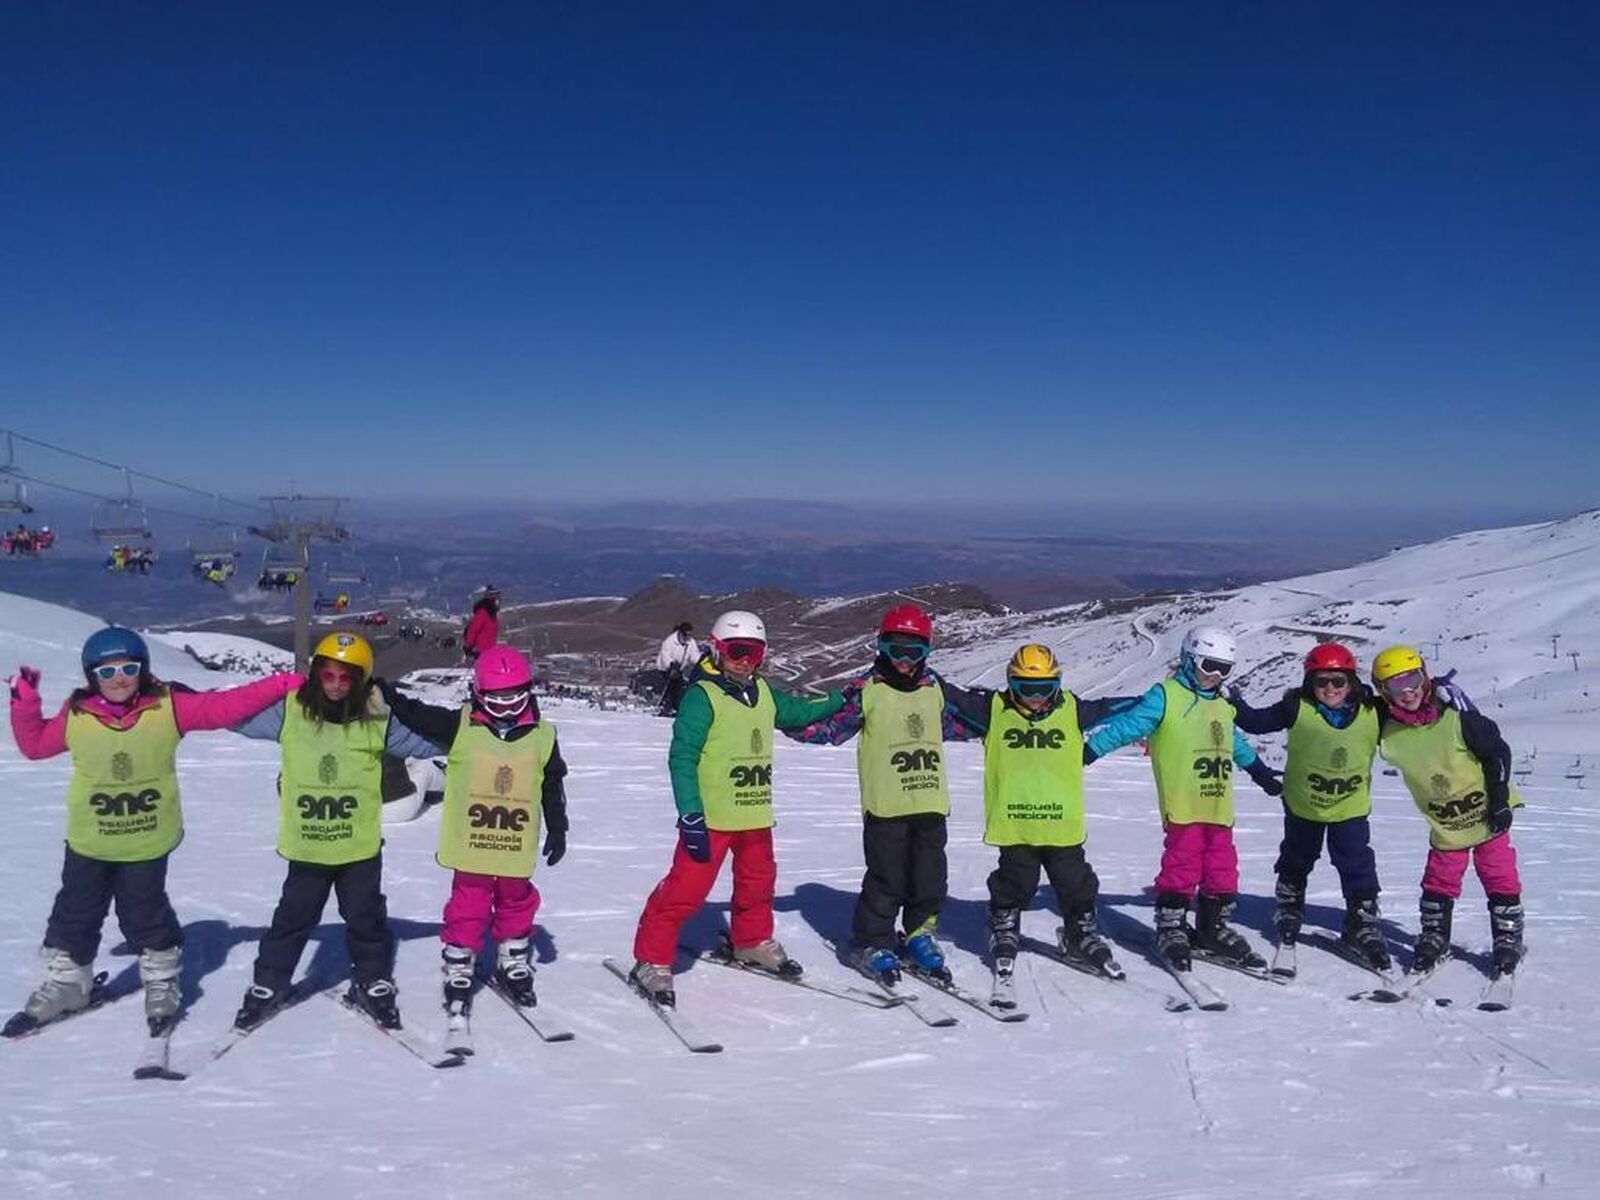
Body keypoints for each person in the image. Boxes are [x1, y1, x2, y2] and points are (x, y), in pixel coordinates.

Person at [4, 627, 301, 1036]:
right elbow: (35, 746)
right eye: (107, 672)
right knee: (74, 914)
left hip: (146, 841)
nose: (119, 679)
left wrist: (279, 685)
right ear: (91, 677)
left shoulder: (168, 707)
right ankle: (69, 983)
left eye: (129, 668)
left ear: (143, 669)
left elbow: (223, 708)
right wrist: (24, 705)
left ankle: (161, 979)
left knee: (144, 913)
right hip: (90, 841)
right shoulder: (77, 715)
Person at [228, 632, 448, 1031]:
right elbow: (232, 715)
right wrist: (182, 705)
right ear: (315, 674)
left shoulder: (376, 719)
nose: (334, 685)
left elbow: (421, 741)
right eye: (326, 675)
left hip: (358, 847)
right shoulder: (291, 712)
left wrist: (478, 735)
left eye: (346, 678)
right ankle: (269, 983)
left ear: (361, 680)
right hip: (308, 846)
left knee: (366, 918)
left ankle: (371, 979)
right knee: (293, 918)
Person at [627, 611, 843, 1007]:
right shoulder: (702, 697)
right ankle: (651, 958)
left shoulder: (762, 691)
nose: (744, 661)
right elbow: (682, 757)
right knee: (685, 891)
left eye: (754, 653)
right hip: (711, 818)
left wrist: (840, 698)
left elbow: (797, 711)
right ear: (717, 649)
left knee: (758, 883)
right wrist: (690, 812)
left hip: (754, 814)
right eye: (736, 651)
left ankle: (751, 940)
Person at [789, 604, 979, 984]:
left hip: (929, 803)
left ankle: (919, 932)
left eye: (914, 651)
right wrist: (785, 721)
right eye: (896, 650)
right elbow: (832, 727)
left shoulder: (934, 690)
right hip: (886, 806)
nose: (904, 660)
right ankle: (872, 940)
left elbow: (959, 725)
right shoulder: (868, 690)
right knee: (886, 878)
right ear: (881, 647)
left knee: (930, 877)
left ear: (927, 651)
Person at [1083, 625, 1284, 972]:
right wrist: (1089, 751)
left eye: (1224, 669)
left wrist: (1261, 772)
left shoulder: (1221, 704)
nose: (1215, 675)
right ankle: (1171, 925)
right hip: (1183, 804)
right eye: (1209, 665)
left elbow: (1235, 743)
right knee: (1183, 862)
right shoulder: (1166, 696)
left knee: (1222, 867)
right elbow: (1128, 726)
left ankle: (1212, 927)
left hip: (1218, 805)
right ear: (1189, 659)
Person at [381, 645, 569, 1012]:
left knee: (516, 900)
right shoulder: (461, 726)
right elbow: (421, 717)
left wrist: (558, 827)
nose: (507, 707)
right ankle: (460, 959)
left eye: (514, 696)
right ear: (479, 694)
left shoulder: (543, 735)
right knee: (469, 903)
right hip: (473, 843)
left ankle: (513, 957)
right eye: (497, 698)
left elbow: (552, 783)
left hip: (514, 841)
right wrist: (393, 698)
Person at [938, 644, 1134, 975]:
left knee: (1075, 882)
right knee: (1016, 881)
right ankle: (1004, 921)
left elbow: (1111, 708)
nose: (1034, 697)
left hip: (1061, 823)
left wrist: (1155, 699)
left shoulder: (1072, 710)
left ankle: (1080, 931)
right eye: (1025, 688)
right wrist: (925, 673)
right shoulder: (994, 709)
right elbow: (953, 697)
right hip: (1017, 823)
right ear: (1010, 682)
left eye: (1044, 688)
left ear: (1057, 684)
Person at [1228, 642, 1390, 969]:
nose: (1330, 688)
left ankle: (1361, 919)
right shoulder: (1296, 708)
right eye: (1321, 681)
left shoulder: (1375, 711)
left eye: (1338, 681)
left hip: (1349, 806)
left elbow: (1413, 716)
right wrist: (1234, 702)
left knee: (1356, 861)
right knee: (1298, 855)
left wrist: (1440, 699)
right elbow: (1256, 722)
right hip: (1304, 804)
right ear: (1309, 681)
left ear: (1351, 681)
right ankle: (1289, 904)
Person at [1371, 645, 1523, 977]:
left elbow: (1497, 753)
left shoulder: (1457, 718)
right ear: (1383, 691)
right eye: (1395, 686)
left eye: (1412, 680)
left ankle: (1508, 935)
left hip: (1487, 813)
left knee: (1498, 871)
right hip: (1446, 824)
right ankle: (1435, 935)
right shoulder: (1387, 729)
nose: (1407, 691)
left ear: (1424, 677)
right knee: (1440, 877)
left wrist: (1499, 800)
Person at [655, 621, 699, 717]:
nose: (688, 637)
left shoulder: (691, 642)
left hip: (679, 669)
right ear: (681, 633)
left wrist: (700, 660)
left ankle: (676, 707)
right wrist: (671, 665)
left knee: (679, 688)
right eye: (687, 635)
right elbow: (665, 656)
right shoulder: (669, 641)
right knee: (669, 687)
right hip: (665, 669)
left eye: (690, 635)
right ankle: (665, 707)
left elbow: (694, 655)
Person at [463, 587, 501, 663]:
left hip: (488, 652)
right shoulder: (483, 613)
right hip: (480, 652)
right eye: (497, 599)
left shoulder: (492, 614)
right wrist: (468, 647)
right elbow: (473, 630)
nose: (499, 601)